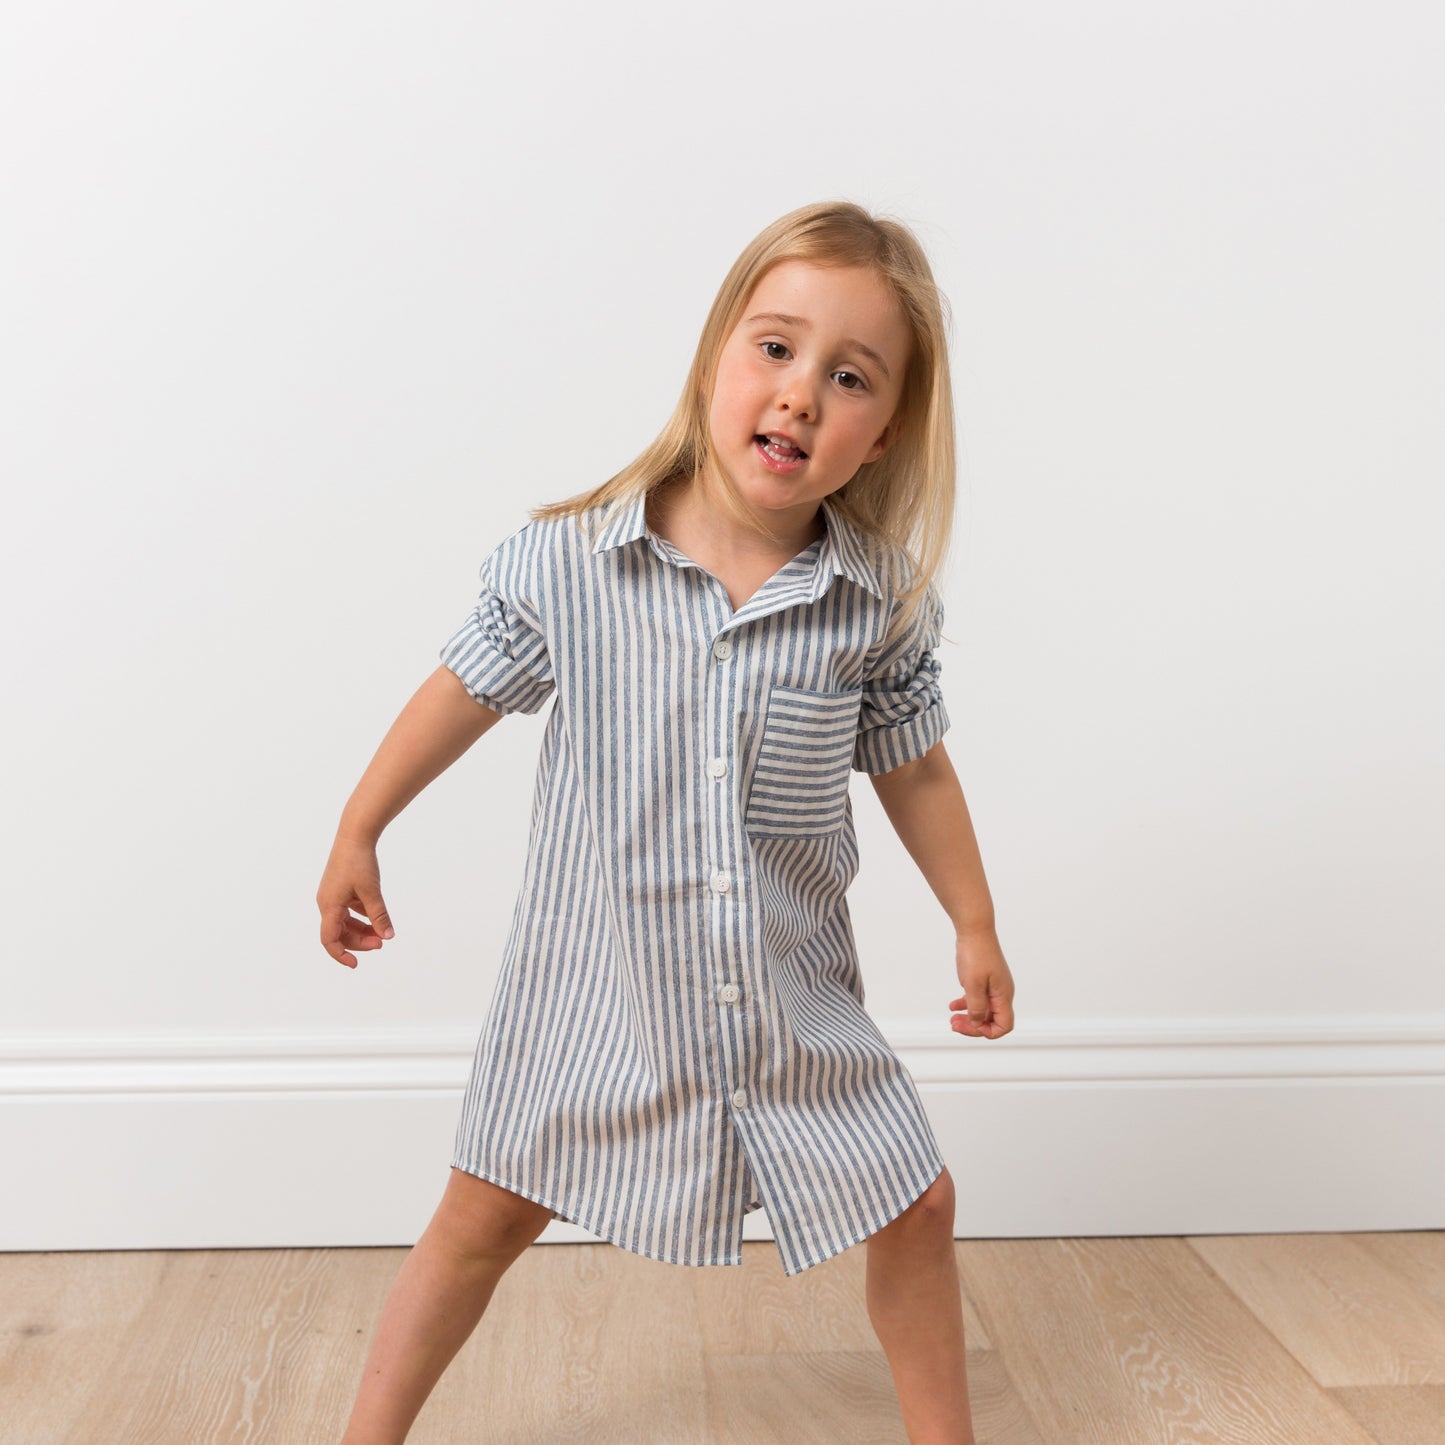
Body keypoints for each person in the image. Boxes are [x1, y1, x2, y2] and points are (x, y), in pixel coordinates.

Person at [318, 198, 1016, 1445]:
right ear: (711, 361)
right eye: (775, 349)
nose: (800, 394)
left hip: (786, 996)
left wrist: (973, 918)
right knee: (479, 1218)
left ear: (881, 432)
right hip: (594, 997)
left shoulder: (870, 609)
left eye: (847, 377)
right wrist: (360, 824)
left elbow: (915, 771)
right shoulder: (572, 566)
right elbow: (460, 688)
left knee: (916, 1203)